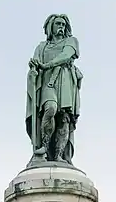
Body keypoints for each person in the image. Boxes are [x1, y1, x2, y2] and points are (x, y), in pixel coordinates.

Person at [26, 14, 83, 164]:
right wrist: (34, 68)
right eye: (58, 24)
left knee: (63, 118)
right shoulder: (41, 47)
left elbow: (66, 55)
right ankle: (44, 147)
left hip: (64, 79)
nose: (61, 27)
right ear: (51, 27)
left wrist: (47, 65)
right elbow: (36, 63)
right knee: (50, 108)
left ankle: (58, 155)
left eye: (63, 25)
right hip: (47, 82)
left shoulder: (71, 41)